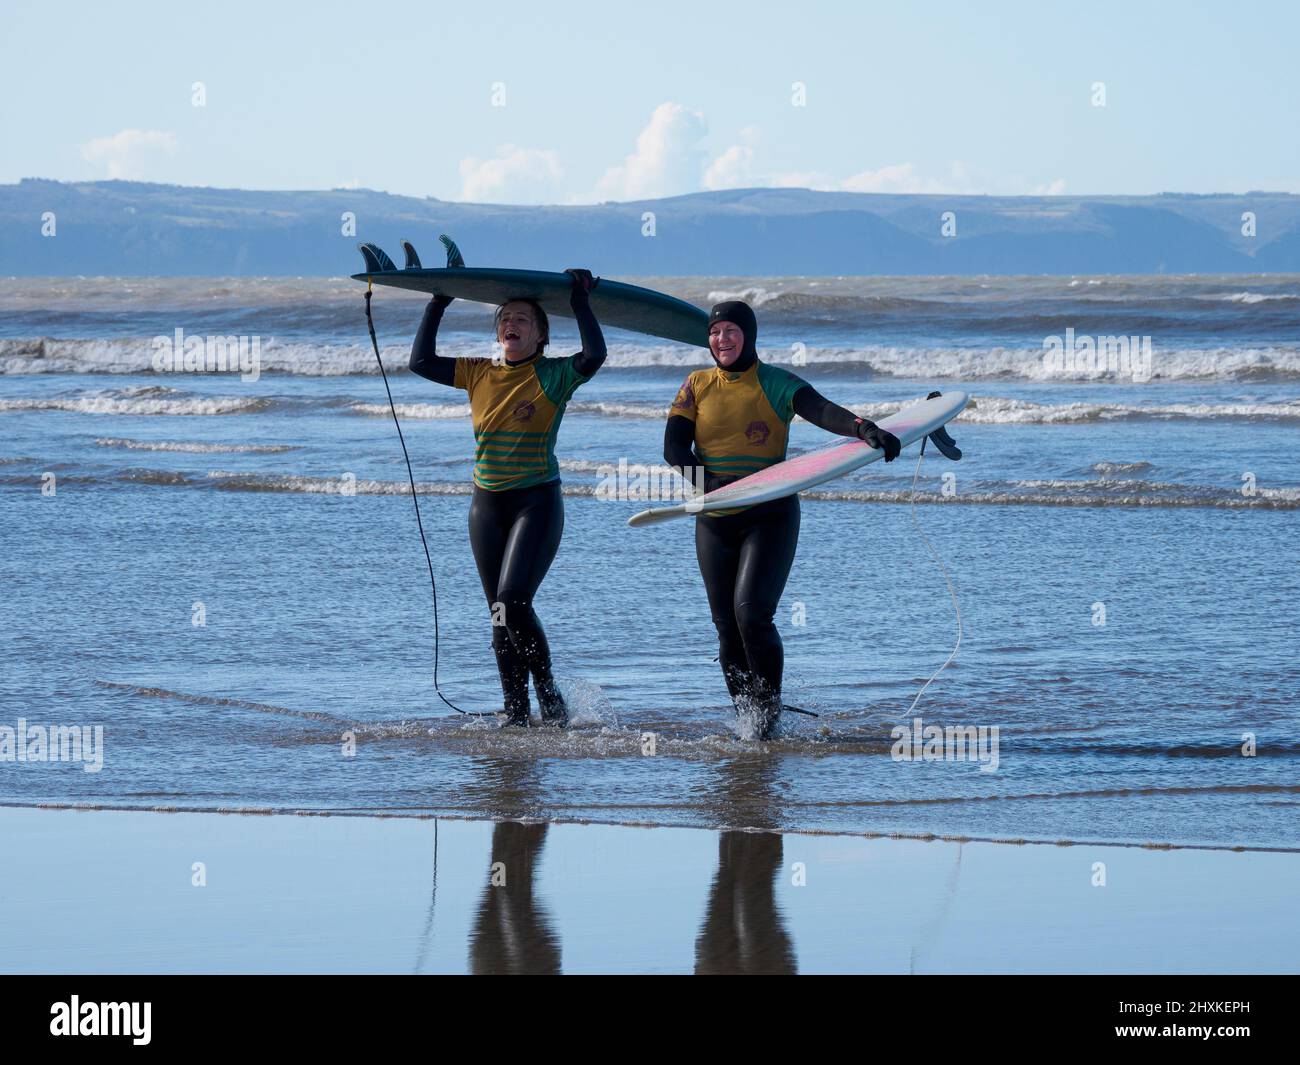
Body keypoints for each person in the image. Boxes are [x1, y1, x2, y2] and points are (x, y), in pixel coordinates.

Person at [663, 300, 900, 739]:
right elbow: (674, 448)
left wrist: (866, 428)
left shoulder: (774, 382)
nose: (722, 339)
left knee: (752, 615)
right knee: (727, 630)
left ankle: (766, 719)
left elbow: (824, 411)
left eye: (732, 331)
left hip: (769, 513)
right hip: (715, 516)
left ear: (748, 336)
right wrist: (711, 484)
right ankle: (747, 723)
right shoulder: (695, 385)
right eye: (715, 332)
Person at [409, 269, 605, 726]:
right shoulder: (478, 372)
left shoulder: (554, 375)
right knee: (499, 613)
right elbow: (420, 362)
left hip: (536, 503)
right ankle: (516, 711)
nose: (510, 324)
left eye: (522, 319)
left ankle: (547, 693)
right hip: (486, 505)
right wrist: (439, 301)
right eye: (504, 319)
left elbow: (595, 354)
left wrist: (580, 301)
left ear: (540, 336)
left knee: (513, 600)